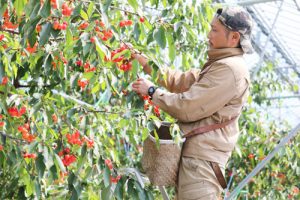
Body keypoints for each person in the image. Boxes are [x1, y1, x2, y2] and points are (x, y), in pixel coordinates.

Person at [132, 6, 253, 200]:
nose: (208, 34)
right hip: (197, 163)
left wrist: (153, 91)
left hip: (202, 166)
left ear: (234, 38)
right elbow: (180, 81)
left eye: (214, 30)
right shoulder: (220, 65)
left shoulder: (230, 70)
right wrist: (146, 63)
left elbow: (188, 107)